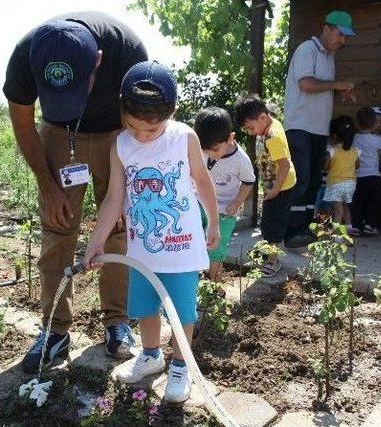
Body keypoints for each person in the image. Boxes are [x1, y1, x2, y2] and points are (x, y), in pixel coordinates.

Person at [3, 12, 148, 373]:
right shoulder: (25, 55)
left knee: (118, 229)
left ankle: (117, 322)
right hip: (58, 136)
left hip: (118, 134)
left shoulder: (127, 51)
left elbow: (145, 124)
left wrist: (129, 185)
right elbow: (23, 123)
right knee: (56, 230)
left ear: (97, 60)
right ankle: (55, 331)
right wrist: (47, 184)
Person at [83, 61, 219, 403]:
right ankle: (150, 355)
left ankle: (180, 366)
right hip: (142, 249)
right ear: (123, 112)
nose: (144, 135)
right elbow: (115, 197)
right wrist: (96, 240)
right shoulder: (120, 145)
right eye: (136, 127)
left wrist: (214, 221)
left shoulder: (184, 136)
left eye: (153, 129)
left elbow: (202, 181)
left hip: (182, 247)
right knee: (144, 306)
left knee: (182, 311)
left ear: (171, 112)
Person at [283, 10, 357, 247]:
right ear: (326, 28)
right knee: (301, 180)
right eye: (340, 34)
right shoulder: (307, 49)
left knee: (313, 182)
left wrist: (338, 91)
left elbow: (319, 87)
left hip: (318, 129)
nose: (342, 40)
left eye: (346, 37)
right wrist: (336, 84)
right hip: (300, 127)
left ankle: (304, 229)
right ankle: (291, 232)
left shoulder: (329, 56)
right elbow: (305, 84)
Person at [235, 94, 297, 277]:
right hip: (275, 186)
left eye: (250, 127)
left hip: (281, 187)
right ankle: (270, 252)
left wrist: (275, 190)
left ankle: (273, 260)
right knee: (269, 223)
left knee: (272, 226)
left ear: (262, 117)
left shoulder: (273, 136)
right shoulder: (266, 126)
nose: (249, 132)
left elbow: (284, 165)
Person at [194, 107, 255, 282]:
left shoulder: (241, 160)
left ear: (230, 138)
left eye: (215, 150)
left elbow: (248, 181)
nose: (210, 156)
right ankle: (197, 280)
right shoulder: (204, 150)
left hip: (224, 212)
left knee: (216, 249)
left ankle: (216, 287)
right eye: (205, 151)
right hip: (200, 204)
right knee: (196, 241)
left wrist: (236, 203)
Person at [350, 107, 381, 235]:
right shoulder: (379, 140)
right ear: (373, 124)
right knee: (373, 201)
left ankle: (355, 225)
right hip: (372, 176)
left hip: (356, 176)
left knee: (357, 201)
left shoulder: (353, 138)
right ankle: (370, 225)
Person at [323, 116, 360, 232]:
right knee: (346, 206)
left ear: (334, 135)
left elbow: (325, 167)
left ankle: (337, 236)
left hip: (336, 184)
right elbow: (357, 165)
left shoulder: (332, 151)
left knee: (338, 210)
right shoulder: (355, 151)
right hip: (351, 184)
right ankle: (349, 228)